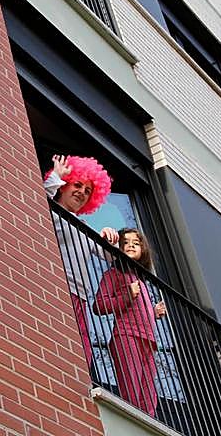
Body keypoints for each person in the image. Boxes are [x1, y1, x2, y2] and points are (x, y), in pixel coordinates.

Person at [45, 154, 117, 369]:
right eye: (77, 185)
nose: (82, 193)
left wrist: (109, 238)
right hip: (58, 287)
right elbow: (39, 201)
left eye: (88, 191)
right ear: (64, 186)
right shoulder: (52, 211)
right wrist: (56, 176)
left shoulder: (84, 226)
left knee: (82, 347)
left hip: (81, 296)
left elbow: (109, 256)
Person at [92, 227, 168, 417]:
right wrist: (127, 295)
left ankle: (148, 422)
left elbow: (137, 310)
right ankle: (132, 418)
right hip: (126, 336)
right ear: (118, 248)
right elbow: (99, 305)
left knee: (149, 392)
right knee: (131, 386)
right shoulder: (114, 274)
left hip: (148, 340)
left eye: (136, 243)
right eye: (126, 243)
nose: (131, 245)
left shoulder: (140, 279)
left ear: (143, 249)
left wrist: (154, 313)